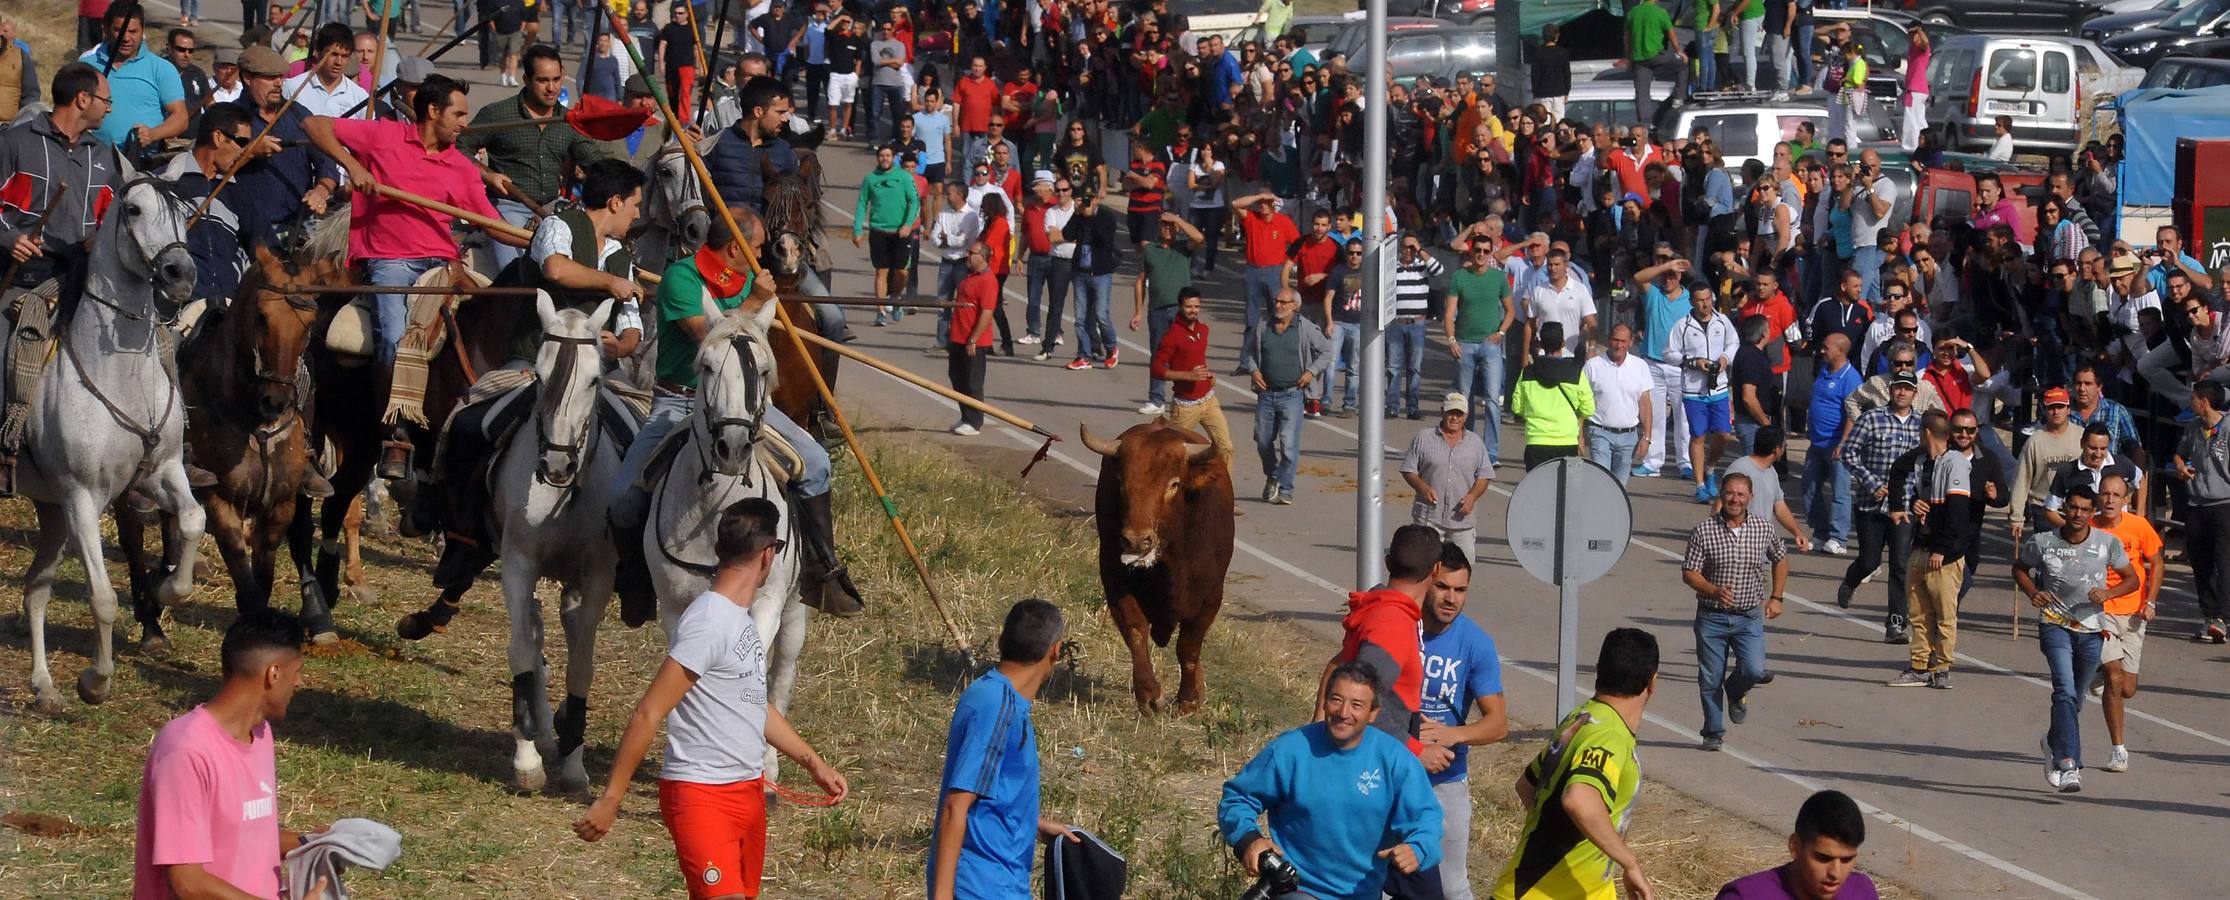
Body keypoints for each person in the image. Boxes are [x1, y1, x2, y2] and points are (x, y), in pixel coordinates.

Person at [574, 499, 851, 896]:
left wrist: (813, 763)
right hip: (701, 797)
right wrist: (611, 799)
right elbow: (648, 712)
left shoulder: (740, 622)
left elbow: (753, 705)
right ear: (768, 554)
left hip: (747, 792)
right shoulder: (708, 623)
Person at [304, 74, 530, 476]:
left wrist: (534, 239)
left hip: (443, 264)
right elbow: (314, 125)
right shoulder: (384, 137)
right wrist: (354, 166)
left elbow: (491, 223)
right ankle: (395, 433)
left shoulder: (461, 167)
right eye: (458, 114)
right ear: (432, 111)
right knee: (393, 336)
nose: (465, 123)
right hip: (388, 262)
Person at [134, 610, 329, 900]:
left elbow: (245, 835)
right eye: (298, 670)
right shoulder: (185, 751)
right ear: (273, 673)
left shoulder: (260, 734)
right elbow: (188, 883)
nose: (300, 682)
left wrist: (311, 843)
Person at [1219, 661, 1443, 900]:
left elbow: (1426, 818)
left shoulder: (1395, 760)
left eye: (1357, 705)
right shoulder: (1291, 750)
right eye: (1337, 699)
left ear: (1373, 713)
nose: (1344, 713)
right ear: (1324, 702)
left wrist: (1417, 849)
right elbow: (1237, 798)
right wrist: (1249, 840)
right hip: (1299, 889)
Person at [923, 597, 1079, 899]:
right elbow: (956, 806)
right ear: (1056, 651)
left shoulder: (993, 696)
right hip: (983, 886)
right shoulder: (997, 706)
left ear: (1002, 640)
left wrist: (1035, 824)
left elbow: (988, 796)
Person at [1490, 628, 1659, 900]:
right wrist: (1630, 863)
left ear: (1599, 671)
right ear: (1653, 682)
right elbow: (1579, 800)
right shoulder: (1608, 736)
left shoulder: (1582, 718)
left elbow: (1527, 785)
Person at [2013, 485, 2138, 793]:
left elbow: (2132, 578)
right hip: (2055, 625)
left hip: (2092, 630)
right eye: (2073, 508)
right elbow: (2020, 568)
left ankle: (2052, 740)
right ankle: (2069, 764)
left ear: (2092, 512)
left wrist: (2108, 593)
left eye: (2085, 509)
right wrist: (2034, 592)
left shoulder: (2107, 543)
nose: (2078, 514)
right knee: (2064, 691)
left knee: (2076, 699)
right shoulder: (2044, 542)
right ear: (2064, 509)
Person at [460, 43, 614, 274]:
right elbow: (458, 147)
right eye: (543, 80)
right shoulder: (498, 114)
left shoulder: (569, 121)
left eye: (556, 79)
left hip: (554, 210)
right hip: (507, 209)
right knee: (511, 272)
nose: (551, 88)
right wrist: (487, 175)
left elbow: (596, 165)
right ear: (526, 79)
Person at [1418, 543, 1509, 900]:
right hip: (1391, 775)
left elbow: (1498, 723)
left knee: (1450, 886)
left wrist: (1452, 734)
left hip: (1445, 783)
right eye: (1442, 587)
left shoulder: (1475, 644)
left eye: (1460, 590)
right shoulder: (1400, 628)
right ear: (1427, 581)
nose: (1450, 599)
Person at [1682, 472, 1788, 751]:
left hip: (1748, 616)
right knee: (1709, 677)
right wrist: (1712, 589)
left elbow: (1780, 559)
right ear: (1722, 495)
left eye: (1741, 494)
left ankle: (1736, 689)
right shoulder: (1704, 531)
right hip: (1712, 616)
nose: (1735, 499)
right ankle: (1713, 732)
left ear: (1750, 498)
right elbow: (1689, 572)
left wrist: (1776, 597)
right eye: (1730, 493)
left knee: (1754, 669)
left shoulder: (1763, 529)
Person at [211, 46, 341, 250]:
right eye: (270, 77)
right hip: (246, 233)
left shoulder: (299, 115)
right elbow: (211, 165)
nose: (278, 83)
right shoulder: (228, 118)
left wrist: (321, 190)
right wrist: (250, 152)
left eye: (280, 76)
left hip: (300, 229)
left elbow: (327, 163)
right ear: (247, 78)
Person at [1887, 410, 1977, 689]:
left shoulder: (1955, 463)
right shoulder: (1924, 461)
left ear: (1926, 431)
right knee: (1918, 612)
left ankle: (1941, 668)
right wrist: (1907, 504)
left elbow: (1958, 513)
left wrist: (1942, 549)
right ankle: (1918, 666)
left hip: (1943, 555)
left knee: (1944, 615)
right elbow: (1898, 470)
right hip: (1921, 546)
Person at [1837, 370, 1924, 642]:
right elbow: (1849, 452)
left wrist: (1920, 497)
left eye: (1907, 389)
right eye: (1898, 388)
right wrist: (1872, 483)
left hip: (1905, 507)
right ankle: (1851, 580)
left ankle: (1895, 622)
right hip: (1870, 505)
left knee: (1900, 564)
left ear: (1914, 394)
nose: (1901, 393)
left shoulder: (1921, 425)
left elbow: (1927, 463)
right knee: (1870, 560)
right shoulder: (1871, 419)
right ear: (1891, 390)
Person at [2088, 473, 2158, 774]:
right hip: (2099, 612)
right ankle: (2118, 750)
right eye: (2105, 494)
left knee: (2127, 688)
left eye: (2116, 495)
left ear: (2126, 499)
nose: (2109, 500)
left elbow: (2157, 561)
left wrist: (2150, 601)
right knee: (2115, 678)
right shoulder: (2088, 528)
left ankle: (2097, 671)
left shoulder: (2138, 527)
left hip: (2133, 613)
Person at [1714, 790, 1881, 900]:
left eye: (1846, 860)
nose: (1835, 873)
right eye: (1823, 858)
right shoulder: (1746, 897)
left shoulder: (1862, 892)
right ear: (1795, 846)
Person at [1250, 288, 1330, 505]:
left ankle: (1285, 488)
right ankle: (1273, 474)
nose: (1278, 306)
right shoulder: (1263, 326)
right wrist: (1254, 370)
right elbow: (1248, 352)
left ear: (1295, 306)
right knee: (1263, 441)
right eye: (1277, 301)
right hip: (1266, 394)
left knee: (1289, 445)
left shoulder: (1305, 329)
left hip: (1292, 395)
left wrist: (1310, 372)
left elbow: (1326, 351)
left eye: (1284, 302)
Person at [83, 3, 189, 151]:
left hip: (142, 161)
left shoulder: (161, 68)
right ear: (106, 29)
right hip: (94, 157)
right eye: (119, 30)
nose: (126, 38)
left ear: (142, 31)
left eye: (133, 31)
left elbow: (181, 118)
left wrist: (152, 134)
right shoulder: (86, 65)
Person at [1669, 284, 1739, 503]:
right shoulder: (1683, 325)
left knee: (1724, 433)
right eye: (1700, 299)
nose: (1705, 303)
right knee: (1698, 436)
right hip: (1693, 389)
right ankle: (1700, 485)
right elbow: (1669, 353)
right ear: (1692, 301)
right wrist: (1693, 363)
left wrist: (1725, 359)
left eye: (1708, 298)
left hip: (1718, 387)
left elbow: (1733, 343)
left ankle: (1710, 468)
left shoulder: (1723, 321)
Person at [1445, 240, 1515, 460]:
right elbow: (1449, 313)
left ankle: (1491, 452)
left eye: (1486, 251)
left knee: (1493, 399)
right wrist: (1451, 339)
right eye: (1478, 250)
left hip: (1490, 344)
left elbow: (1510, 310)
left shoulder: (1498, 278)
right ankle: (1468, 447)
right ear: (1472, 252)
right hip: (1465, 343)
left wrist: (1501, 333)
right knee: (1464, 399)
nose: (1481, 254)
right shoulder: (1460, 277)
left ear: (1491, 253)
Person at [1403, 395, 1494, 560]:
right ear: (1442, 412)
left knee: (1460, 571)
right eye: (1451, 412)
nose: (1454, 418)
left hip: (1462, 522)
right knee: (1424, 568)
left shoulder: (1475, 443)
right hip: (1428, 519)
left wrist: (1472, 497)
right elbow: (1409, 470)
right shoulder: (1424, 438)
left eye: (1459, 414)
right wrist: (1423, 488)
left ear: (1466, 416)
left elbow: (1484, 476)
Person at [2176, 380, 2230, 644]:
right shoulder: (2194, 428)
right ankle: (2208, 616)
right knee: (2200, 561)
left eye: (2194, 397)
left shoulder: (2229, 428)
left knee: (2224, 561)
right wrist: (2181, 466)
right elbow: (2179, 454)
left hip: (2225, 504)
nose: (2191, 402)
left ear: (2204, 401)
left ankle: (2222, 617)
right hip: (2196, 504)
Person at [1153, 289, 1235, 464]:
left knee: (1225, 447)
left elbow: (1197, 361)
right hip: (1186, 407)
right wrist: (1187, 376)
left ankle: (1223, 490)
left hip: (1208, 400)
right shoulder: (1171, 336)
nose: (1193, 310)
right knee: (1173, 454)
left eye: (1197, 306)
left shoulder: (1203, 330)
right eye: (1189, 306)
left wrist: (1209, 376)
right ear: (1180, 307)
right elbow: (1156, 370)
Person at [1132, 212, 1202, 415]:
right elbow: (1140, 281)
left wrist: (1178, 220)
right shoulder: (1150, 250)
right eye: (1164, 224)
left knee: (1186, 353)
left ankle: (1188, 396)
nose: (1167, 228)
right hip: (1157, 310)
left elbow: (1198, 238)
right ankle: (1156, 398)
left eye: (1171, 225)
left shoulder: (1183, 247)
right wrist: (1138, 312)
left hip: (1182, 310)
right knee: (1159, 354)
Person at [1632, 253, 1693, 478]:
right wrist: (1666, 265)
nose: (1668, 279)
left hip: (1680, 366)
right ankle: (1652, 462)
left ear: (1681, 276)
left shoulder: (1690, 299)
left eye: (1673, 275)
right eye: (1666, 275)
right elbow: (1639, 278)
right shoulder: (1654, 294)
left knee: (1683, 417)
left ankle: (1686, 462)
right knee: (1654, 416)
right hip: (1653, 364)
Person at [1803, 334, 1862, 555]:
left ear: (1840, 350)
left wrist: (1844, 442)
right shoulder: (1824, 370)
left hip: (1836, 443)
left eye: (1826, 348)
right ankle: (1820, 532)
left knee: (1840, 491)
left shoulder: (1851, 378)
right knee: (1809, 488)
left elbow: (1852, 413)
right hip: (1817, 442)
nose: (1822, 351)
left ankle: (1839, 538)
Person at [1232, 191, 1299, 375]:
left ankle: (1273, 358)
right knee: (1251, 318)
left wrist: (1287, 263)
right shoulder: (1251, 218)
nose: (1263, 205)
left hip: (1274, 271)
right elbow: (1235, 203)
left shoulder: (1283, 221)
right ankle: (1246, 362)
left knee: (1277, 314)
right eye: (1260, 202)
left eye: (1267, 202)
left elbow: (1297, 243)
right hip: (1253, 270)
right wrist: (1258, 196)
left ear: (1273, 204)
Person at [1511, 321, 1594, 468]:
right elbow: (1589, 409)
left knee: (1538, 488)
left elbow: (1517, 408)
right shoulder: (1575, 373)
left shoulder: (1528, 372)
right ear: (1563, 343)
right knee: (1565, 488)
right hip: (1567, 441)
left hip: (1536, 441)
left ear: (1541, 344)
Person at [853, 144, 921, 315]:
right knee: (881, 272)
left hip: (900, 233)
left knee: (902, 272)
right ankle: (880, 311)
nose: (885, 159)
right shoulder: (870, 179)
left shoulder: (904, 177)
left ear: (893, 158)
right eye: (882, 155)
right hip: (878, 231)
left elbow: (914, 201)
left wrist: (907, 224)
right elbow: (862, 204)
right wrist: (857, 230)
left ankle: (895, 297)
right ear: (878, 158)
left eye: (888, 155)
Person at [1584, 324, 1655, 485]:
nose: (1619, 345)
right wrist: (1579, 436)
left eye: (1623, 341)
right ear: (1609, 341)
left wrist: (1647, 437)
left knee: (1619, 488)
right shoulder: (1592, 366)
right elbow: (1581, 403)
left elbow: (1645, 404)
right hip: (1600, 432)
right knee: (1601, 482)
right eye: (1616, 340)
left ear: (1630, 342)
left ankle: (1612, 511)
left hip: (1629, 437)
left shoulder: (1640, 366)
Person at [2010, 387, 2083, 543]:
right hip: (2042, 508)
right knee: (2047, 561)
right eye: (2051, 407)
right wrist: (2017, 517)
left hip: (2077, 508)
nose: (2056, 411)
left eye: (2060, 406)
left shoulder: (2082, 436)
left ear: (2069, 409)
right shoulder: (2034, 441)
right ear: (2044, 410)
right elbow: (2021, 480)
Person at [1062, 184, 1122, 370]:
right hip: (1081, 272)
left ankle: (1111, 347)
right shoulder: (1079, 216)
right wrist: (1076, 213)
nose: (1087, 202)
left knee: (1100, 314)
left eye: (1090, 198)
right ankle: (1083, 356)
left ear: (1096, 199)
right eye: (1084, 198)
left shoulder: (1106, 217)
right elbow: (1067, 234)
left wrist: (1090, 217)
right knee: (1079, 318)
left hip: (1101, 272)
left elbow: (1105, 238)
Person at [1723, 427, 1811, 552]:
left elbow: (1779, 506)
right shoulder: (1740, 469)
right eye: (1784, 445)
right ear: (1776, 450)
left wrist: (1797, 532)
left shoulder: (1771, 471)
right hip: (1738, 551)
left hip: (1762, 551)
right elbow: (1720, 505)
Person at [2041, 424, 2147, 525]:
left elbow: (2141, 480)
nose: (2098, 454)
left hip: (2119, 533)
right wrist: (2073, 529)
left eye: (2103, 448)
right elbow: (2050, 510)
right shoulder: (2067, 472)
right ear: (2082, 444)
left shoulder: (2122, 463)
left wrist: (2140, 515)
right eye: (2092, 448)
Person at [947, 241, 998, 436]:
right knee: (957, 377)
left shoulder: (987, 281)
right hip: (958, 336)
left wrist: (974, 338)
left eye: (972, 253)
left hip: (973, 340)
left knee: (973, 381)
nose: (968, 256)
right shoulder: (970, 277)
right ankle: (965, 415)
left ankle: (975, 421)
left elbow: (986, 312)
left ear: (983, 257)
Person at [282, 23, 370, 120]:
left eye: (344, 56)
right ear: (318, 52)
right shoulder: (292, 88)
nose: (338, 62)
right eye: (333, 54)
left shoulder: (360, 97)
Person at [1625, 0, 1685, 130]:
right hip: (1657, 55)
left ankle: (1645, 124)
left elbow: (1627, 37)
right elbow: (1672, 34)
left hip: (1639, 58)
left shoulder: (1633, 12)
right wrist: (1678, 51)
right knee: (1683, 65)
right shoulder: (1660, 12)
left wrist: (1629, 57)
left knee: (1642, 92)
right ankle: (1679, 97)